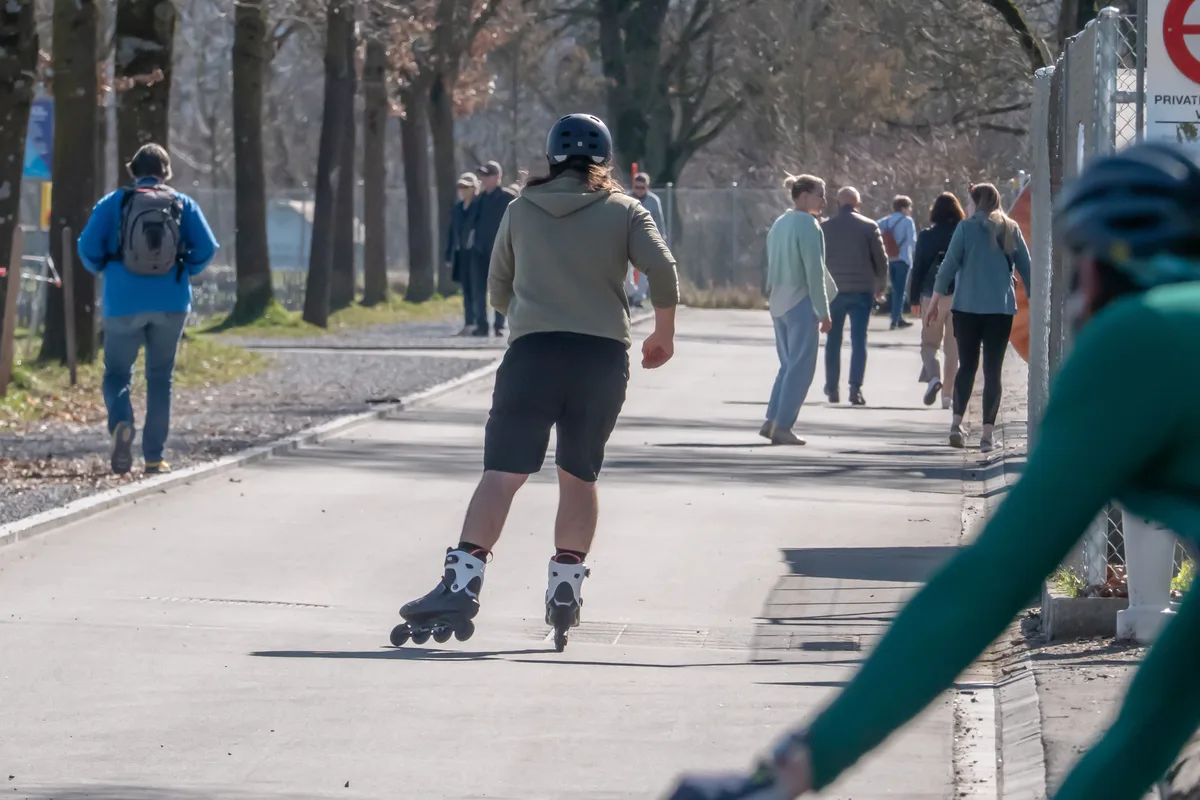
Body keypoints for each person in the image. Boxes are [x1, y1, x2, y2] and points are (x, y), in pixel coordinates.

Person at [663, 141, 1200, 800]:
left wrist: (798, 767)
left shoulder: (1146, 337)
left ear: (1102, 264)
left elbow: (986, 586)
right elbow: (1159, 711)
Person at [392, 114, 679, 651]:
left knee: (502, 474)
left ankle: (460, 585)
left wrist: (526, 317)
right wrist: (662, 334)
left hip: (533, 356)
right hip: (600, 359)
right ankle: (565, 590)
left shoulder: (520, 209)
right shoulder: (625, 210)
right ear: (605, 159)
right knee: (579, 475)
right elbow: (662, 270)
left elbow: (499, 285)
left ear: (551, 156)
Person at [77, 143, 218, 477]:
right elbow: (208, 248)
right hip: (171, 302)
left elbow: (87, 247)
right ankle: (154, 457)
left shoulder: (113, 203)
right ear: (166, 172)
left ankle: (122, 423)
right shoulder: (183, 203)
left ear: (133, 171)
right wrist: (184, 268)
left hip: (123, 302)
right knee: (159, 378)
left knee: (116, 375)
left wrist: (107, 269)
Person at [927, 183, 1031, 451]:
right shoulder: (1010, 228)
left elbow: (948, 264)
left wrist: (935, 301)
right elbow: (1026, 269)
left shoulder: (965, 228)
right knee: (993, 370)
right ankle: (987, 435)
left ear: (975, 203)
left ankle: (957, 425)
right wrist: (1034, 299)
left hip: (967, 307)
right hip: (1000, 309)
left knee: (967, 366)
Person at [759, 174, 836, 446]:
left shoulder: (779, 223)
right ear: (803, 195)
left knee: (787, 365)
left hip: (778, 301)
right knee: (801, 368)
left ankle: (772, 421)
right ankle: (783, 426)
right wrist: (824, 311)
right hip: (800, 301)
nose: (824, 200)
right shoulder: (808, 224)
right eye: (820, 194)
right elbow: (814, 270)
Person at [820, 186, 888, 406]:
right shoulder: (869, 227)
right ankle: (855, 388)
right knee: (859, 340)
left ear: (838, 203)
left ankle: (832, 388)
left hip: (834, 291)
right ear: (857, 204)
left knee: (833, 340)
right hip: (861, 290)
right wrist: (880, 285)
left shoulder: (825, 227)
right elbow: (881, 259)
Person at [909, 193, 966, 408]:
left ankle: (934, 377)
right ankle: (948, 397)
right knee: (953, 348)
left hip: (931, 295)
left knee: (930, 343)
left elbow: (919, 268)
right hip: (959, 296)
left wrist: (913, 298)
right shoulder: (963, 233)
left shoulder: (926, 236)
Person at [471, 160, 518, 337]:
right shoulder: (479, 199)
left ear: (498, 177)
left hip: (500, 250)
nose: (484, 179)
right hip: (479, 249)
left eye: (488, 175)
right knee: (478, 289)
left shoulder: (507, 198)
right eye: (482, 176)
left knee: (500, 286)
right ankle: (481, 324)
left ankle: (499, 324)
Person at [445, 172, 481, 336]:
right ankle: (469, 322)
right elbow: (452, 232)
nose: (462, 190)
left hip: (476, 253)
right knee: (465, 288)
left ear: (474, 188)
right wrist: (448, 254)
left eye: (466, 187)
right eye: (460, 187)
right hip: (461, 253)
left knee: (476, 288)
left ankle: (479, 323)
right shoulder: (458, 208)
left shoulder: (479, 206)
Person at [878, 196, 917, 330]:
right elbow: (912, 241)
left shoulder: (885, 221)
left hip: (889, 259)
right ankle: (896, 319)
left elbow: (875, 231)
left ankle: (897, 316)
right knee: (900, 290)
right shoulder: (907, 221)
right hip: (903, 259)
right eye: (909, 207)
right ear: (903, 208)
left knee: (895, 288)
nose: (910, 210)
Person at [626, 173, 666, 307]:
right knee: (626, 269)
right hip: (628, 239)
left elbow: (659, 222)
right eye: (636, 187)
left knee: (644, 272)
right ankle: (630, 293)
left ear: (647, 187)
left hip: (646, 240)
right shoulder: (626, 198)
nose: (638, 190)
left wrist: (661, 240)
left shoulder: (654, 201)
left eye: (642, 187)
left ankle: (639, 298)